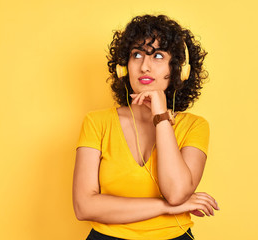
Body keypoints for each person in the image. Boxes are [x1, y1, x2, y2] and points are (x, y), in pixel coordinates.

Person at [73, 14, 219, 240]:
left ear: (179, 69)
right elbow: (84, 207)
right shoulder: (97, 122)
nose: (144, 66)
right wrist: (167, 208)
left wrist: (160, 115)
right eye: (136, 55)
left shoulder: (194, 126)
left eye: (158, 55)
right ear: (124, 67)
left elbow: (177, 193)